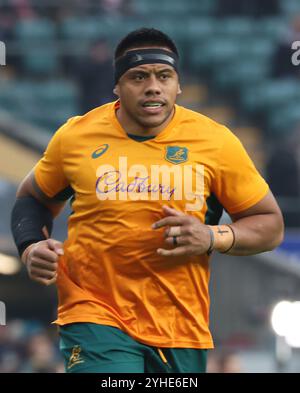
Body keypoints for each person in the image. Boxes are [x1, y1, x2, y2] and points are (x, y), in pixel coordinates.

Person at [11, 28, 284, 373]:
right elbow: (32, 198)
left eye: (164, 76)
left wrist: (214, 236)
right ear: (117, 87)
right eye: (138, 76)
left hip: (180, 325)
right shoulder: (76, 136)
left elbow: (270, 225)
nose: (153, 86)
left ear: (178, 85)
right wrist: (31, 245)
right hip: (94, 314)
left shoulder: (216, 142)